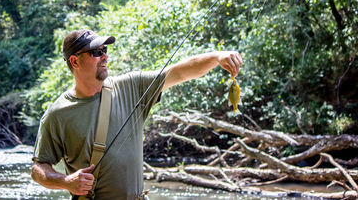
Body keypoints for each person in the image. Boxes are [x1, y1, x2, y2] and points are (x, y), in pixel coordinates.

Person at [31, 29, 243, 200]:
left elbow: (179, 72)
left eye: (105, 49)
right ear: (74, 62)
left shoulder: (131, 86)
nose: (105, 56)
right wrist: (66, 182)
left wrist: (217, 57)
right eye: (96, 52)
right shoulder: (57, 114)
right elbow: (38, 169)